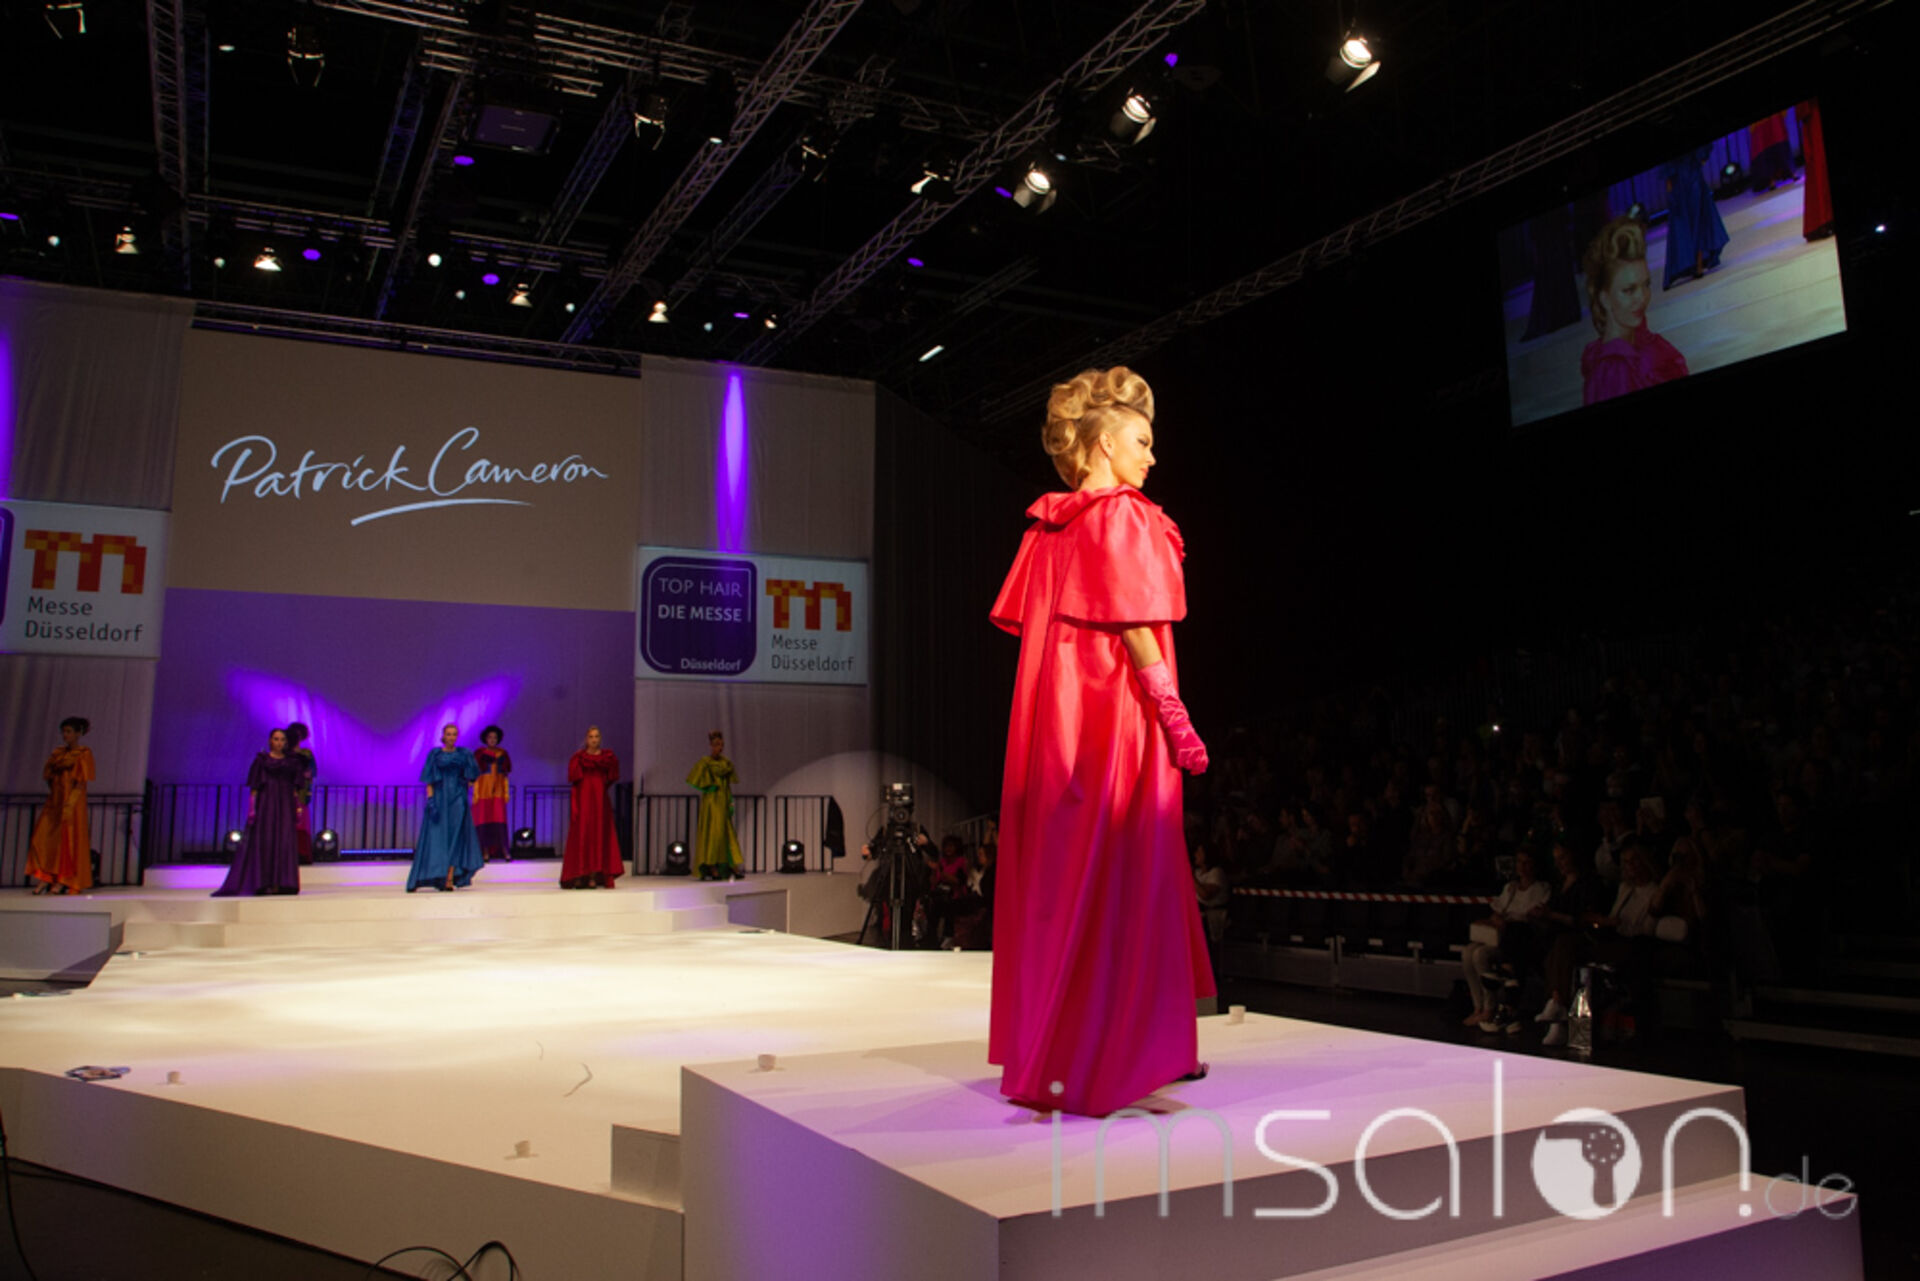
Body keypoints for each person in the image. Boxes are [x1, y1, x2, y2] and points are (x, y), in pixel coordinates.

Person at [988, 365, 1215, 1116]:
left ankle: (1069, 1050)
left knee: (1068, 872)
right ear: (1104, 443)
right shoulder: (1121, 513)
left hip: (1058, 717)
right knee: (1127, 864)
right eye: (1141, 441)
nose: (1151, 456)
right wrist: (1172, 710)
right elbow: (1137, 623)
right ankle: (1124, 1050)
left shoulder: (1051, 525)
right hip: (1116, 708)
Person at [1580, 217, 1689, 406]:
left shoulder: (1645, 343)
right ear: (1604, 298)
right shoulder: (1613, 373)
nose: (1642, 297)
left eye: (1645, 285)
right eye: (1629, 290)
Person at [1460, 848, 1550, 1030]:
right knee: (1467, 952)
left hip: (1519, 939)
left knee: (1480, 955)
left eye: (1526, 863)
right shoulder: (1510, 888)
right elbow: (1496, 911)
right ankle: (1478, 1006)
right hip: (1501, 934)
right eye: (1519, 862)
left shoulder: (1541, 889)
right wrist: (1497, 919)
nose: (1522, 867)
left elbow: (1534, 917)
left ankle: (1490, 1007)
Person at [213, 727, 308, 897]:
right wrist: (252, 809)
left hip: (285, 804)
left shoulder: (291, 762)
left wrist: (298, 807)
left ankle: (283, 883)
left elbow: (295, 788)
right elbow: (254, 788)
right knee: (266, 839)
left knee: (284, 840)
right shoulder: (261, 761)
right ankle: (263, 882)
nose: (279, 743)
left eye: (282, 740)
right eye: (276, 739)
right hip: (267, 803)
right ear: (270, 740)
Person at [406, 723, 482, 892]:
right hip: (440, 799)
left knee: (456, 837)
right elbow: (429, 779)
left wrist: (464, 787)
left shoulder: (464, 754)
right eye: (448, 734)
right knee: (437, 838)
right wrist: (431, 800)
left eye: (454, 734)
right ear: (443, 736)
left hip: (457, 799)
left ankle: (449, 878)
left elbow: (472, 776)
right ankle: (436, 875)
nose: (451, 737)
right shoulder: (435, 754)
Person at [27, 717, 95, 895]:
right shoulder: (58, 753)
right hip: (55, 801)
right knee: (45, 838)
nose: (65, 735)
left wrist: (70, 804)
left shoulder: (83, 753)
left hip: (71, 802)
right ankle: (46, 876)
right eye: (64, 731)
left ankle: (63, 879)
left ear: (78, 733)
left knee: (67, 840)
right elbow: (49, 776)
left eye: (69, 732)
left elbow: (80, 782)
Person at [561, 726, 622, 889]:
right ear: (586, 739)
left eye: (597, 736)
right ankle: (580, 874)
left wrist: (601, 788)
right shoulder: (579, 758)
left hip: (600, 800)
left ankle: (594, 875)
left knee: (598, 834)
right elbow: (574, 780)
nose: (594, 740)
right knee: (583, 834)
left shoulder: (607, 757)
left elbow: (612, 777)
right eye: (591, 737)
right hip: (584, 799)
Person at [1659, 147, 1730, 288]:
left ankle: (1697, 264)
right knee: (1689, 223)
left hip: (1689, 179)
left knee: (1695, 222)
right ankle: (1695, 264)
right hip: (1686, 179)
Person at [687, 730, 743, 881]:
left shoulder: (725, 764)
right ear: (711, 746)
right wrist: (709, 788)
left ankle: (731, 865)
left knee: (726, 833)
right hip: (711, 802)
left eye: (722, 745)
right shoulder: (705, 763)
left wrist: (729, 800)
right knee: (713, 833)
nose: (720, 748)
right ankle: (711, 866)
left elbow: (728, 784)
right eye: (717, 745)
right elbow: (695, 779)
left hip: (723, 800)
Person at [472, 725, 513, 862]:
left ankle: (505, 850)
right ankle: (484, 851)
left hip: (498, 791)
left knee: (500, 820)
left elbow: (506, 773)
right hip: (483, 791)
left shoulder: (503, 753)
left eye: (495, 737)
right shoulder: (480, 753)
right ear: (485, 739)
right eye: (490, 737)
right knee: (484, 820)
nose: (492, 740)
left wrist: (506, 792)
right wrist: (475, 792)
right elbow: (475, 773)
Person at [286, 722, 316, 864]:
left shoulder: (306, 754)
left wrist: (306, 775)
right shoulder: (284, 753)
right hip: (285, 790)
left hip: (301, 791)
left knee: (300, 821)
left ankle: (301, 853)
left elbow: (312, 771)